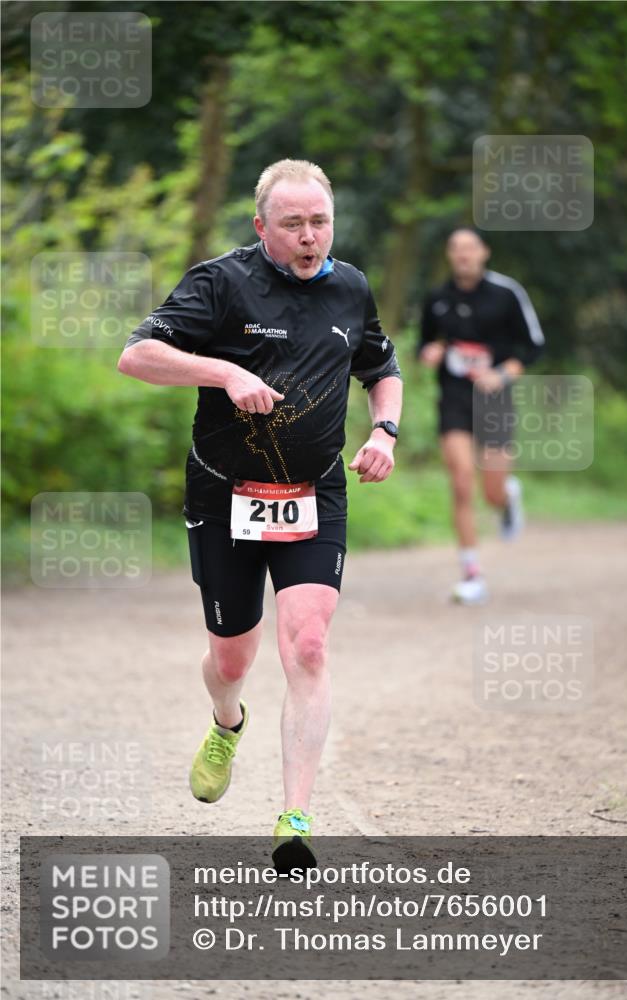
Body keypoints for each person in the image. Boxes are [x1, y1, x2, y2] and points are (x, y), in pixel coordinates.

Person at [118, 159, 402, 869]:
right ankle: (225, 722)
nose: (309, 237)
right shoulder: (220, 283)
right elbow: (137, 356)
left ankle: (294, 820)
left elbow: (382, 369)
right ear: (261, 226)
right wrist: (225, 371)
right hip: (224, 494)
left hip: (314, 492)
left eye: (320, 222)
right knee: (230, 655)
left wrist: (383, 431)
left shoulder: (351, 288)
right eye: (292, 224)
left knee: (306, 643)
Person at [418, 227, 544, 606]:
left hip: (495, 399)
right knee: (460, 481)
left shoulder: (507, 294)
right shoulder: (438, 298)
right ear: (449, 255)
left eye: (470, 248)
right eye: (455, 249)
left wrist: (502, 374)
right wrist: (431, 352)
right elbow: (427, 340)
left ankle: (506, 496)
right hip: (454, 397)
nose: (463, 255)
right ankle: (472, 574)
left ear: (484, 252)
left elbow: (534, 345)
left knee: (489, 490)